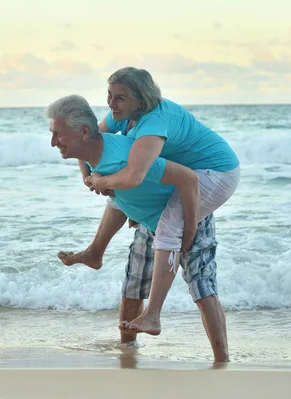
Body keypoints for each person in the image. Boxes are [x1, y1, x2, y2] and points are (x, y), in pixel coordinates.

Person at [66, 68, 239, 352]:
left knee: (180, 244)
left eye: (120, 98)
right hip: (178, 182)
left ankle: (156, 317)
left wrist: (191, 225)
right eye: (109, 95)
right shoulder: (122, 115)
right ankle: (95, 252)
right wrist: (90, 177)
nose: (111, 103)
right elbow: (90, 143)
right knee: (116, 196)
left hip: (215, 173)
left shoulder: (154, 121)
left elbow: (136, 176)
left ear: (141, 99)